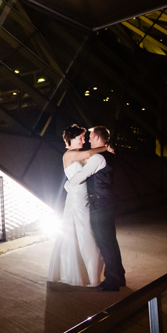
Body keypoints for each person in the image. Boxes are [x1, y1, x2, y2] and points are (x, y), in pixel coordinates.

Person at [47, 124, 110, 287]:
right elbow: (90, 154)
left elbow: (90, 165)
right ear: (71, 139)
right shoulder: (69, 154)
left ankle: (86, 274)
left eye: (84, 137)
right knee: (85, 235)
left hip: (79, 197)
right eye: (80, 138)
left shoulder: (79, 155)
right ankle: (91, 276)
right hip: (77, 200)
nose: (83, 140)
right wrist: (104, 147)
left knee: (76, 235)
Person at [66, 125, 126, 291]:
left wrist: (67, 184)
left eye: (91, 137)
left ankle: (112, 281)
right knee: (111, 241)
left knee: (105, 242)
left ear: (98, 138)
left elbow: (81, 176)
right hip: (108, 202)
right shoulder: (109, 155)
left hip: (100, 204)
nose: (89, 140)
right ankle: (119, 275)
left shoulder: (97, 158)